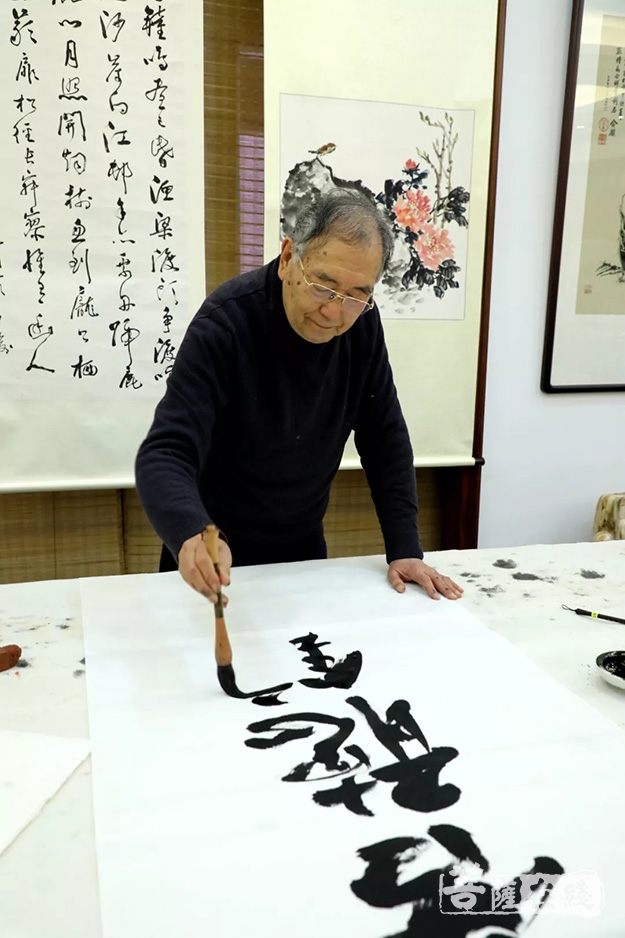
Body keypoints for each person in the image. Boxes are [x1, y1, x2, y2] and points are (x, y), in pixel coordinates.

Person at [135, 188, 463, 606]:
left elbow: (384, 436)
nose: (334, 312)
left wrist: (405, 549)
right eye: (323, 287)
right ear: (288, 257)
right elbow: (166, 451)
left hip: (302, 558)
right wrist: (191, 532)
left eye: (356, 295)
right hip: (210, 554)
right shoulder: (226, 323)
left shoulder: (361, 323)